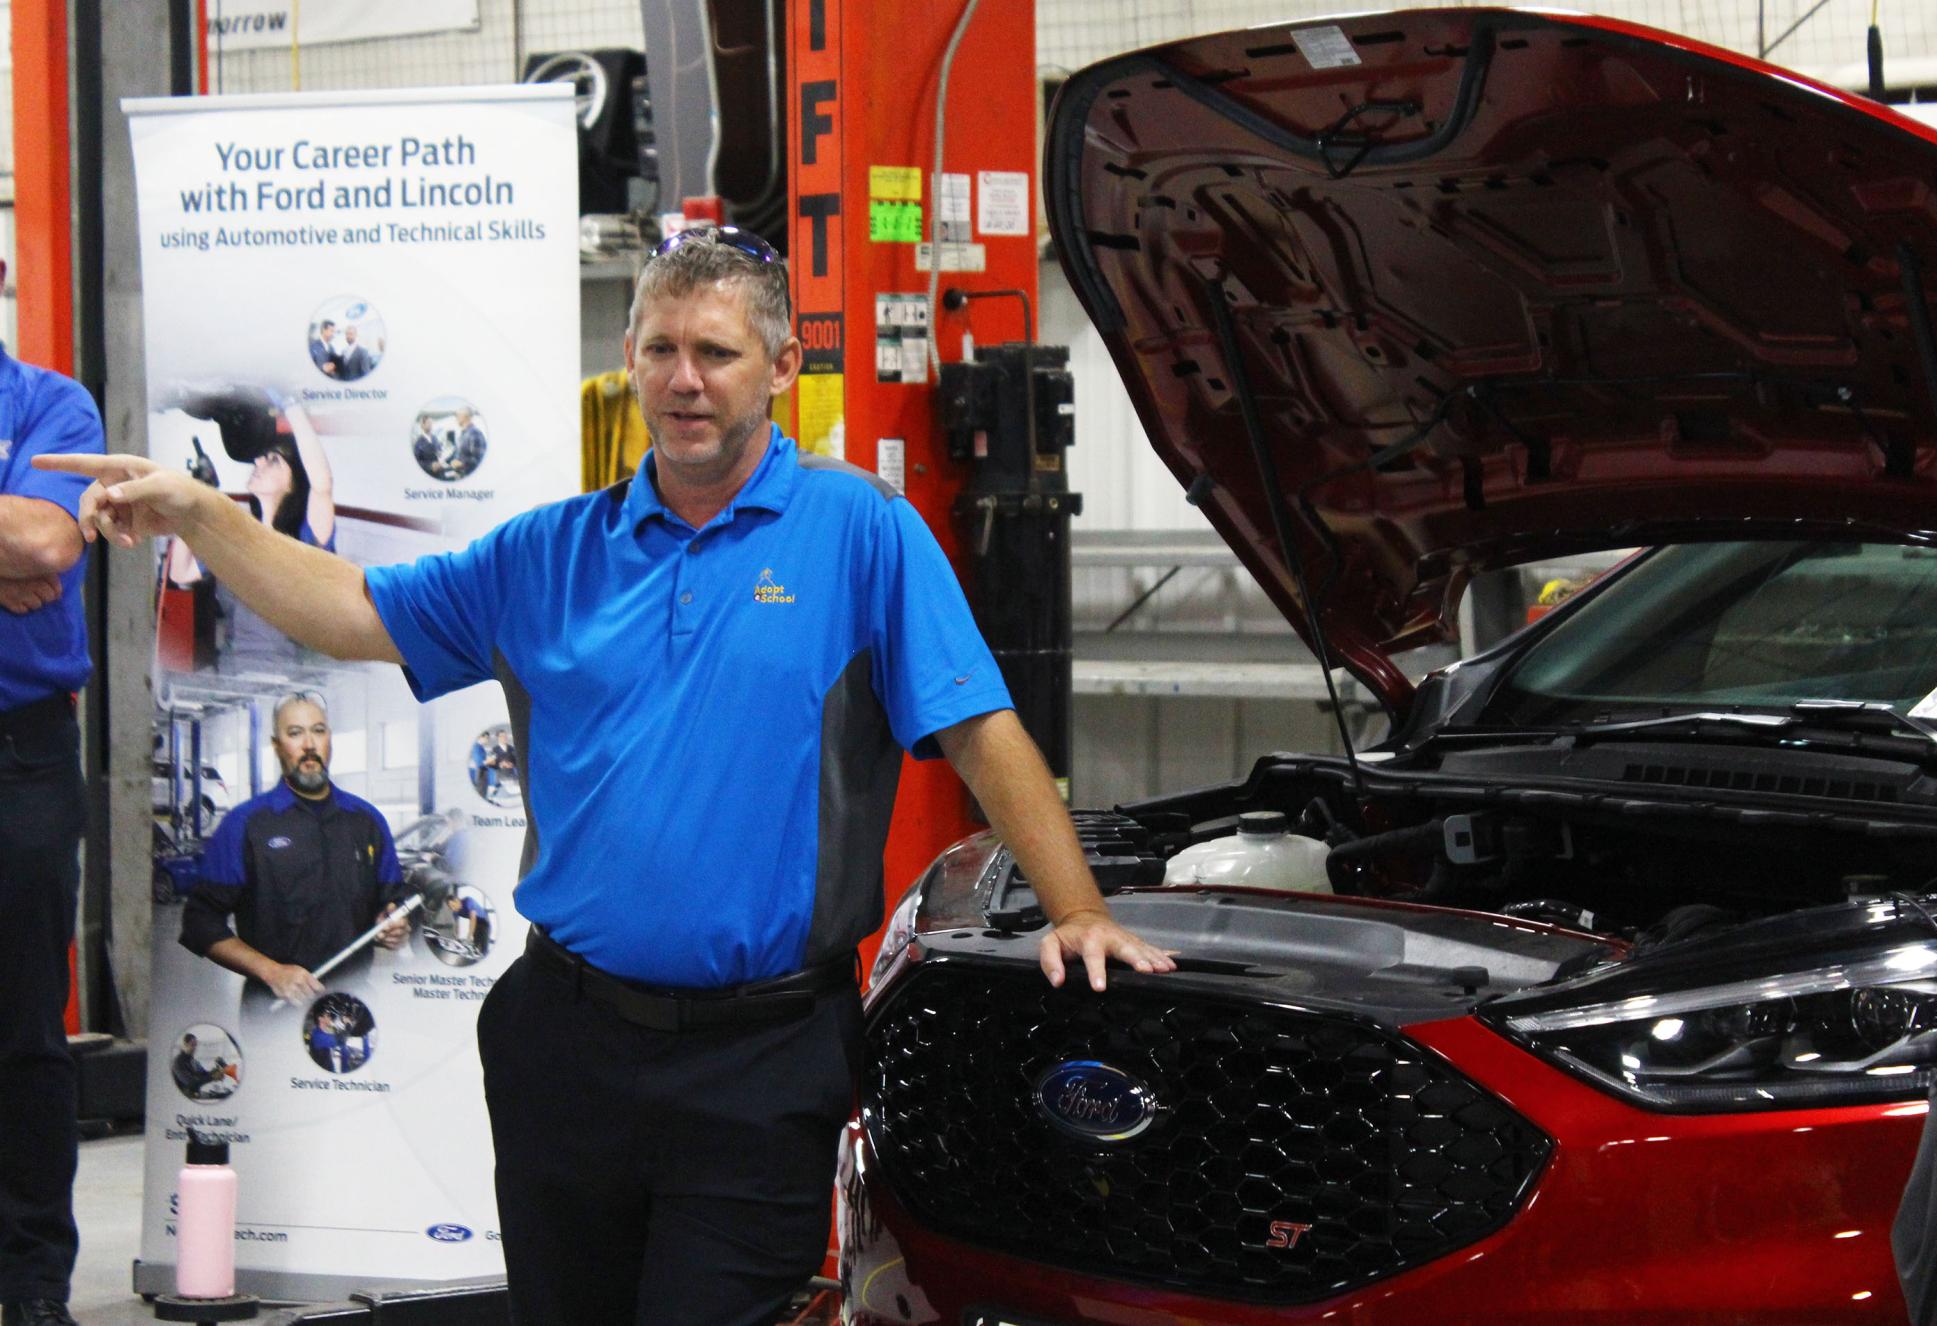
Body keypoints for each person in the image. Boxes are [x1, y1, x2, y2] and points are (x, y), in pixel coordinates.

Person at [38, 223, 1175, 1326]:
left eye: (717, 354)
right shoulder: (549, 553)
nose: (685, 381)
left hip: (762, 1057)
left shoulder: (860, 532)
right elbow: (346, 609)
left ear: (781, 367)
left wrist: (1073, 907)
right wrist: (200, 510)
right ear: (629, 361)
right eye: (660, 351)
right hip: (565, 1044)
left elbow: (980, 726)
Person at [1, 295, 104, 1326]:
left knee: (27, 1025)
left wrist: (25, 545)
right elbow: (18, 538)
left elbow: (44, 545)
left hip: (19, 755)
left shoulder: (49, 406)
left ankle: (31, 1280)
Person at [179, 694, 409, 1005]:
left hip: (354, 1004)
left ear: (329, 739)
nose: (309, 745)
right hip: (274, 1009)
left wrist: (394, 924)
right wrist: (271, 972)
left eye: (318, 730)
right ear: (277, 746)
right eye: (295, 733)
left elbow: (392, 901)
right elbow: (199, 921)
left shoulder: (367, 821)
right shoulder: (246, 824)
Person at [165, 397, 339, 670]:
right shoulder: (235, 537)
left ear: (294, 484)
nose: (258, 460)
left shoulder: (307, 541)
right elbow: (180, 573)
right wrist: (196, 498)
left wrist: (292, 404)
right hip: (231, 675)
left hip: (284, 679)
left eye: (273, 460)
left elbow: (322, 484)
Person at [169, 1033, 228, 1100]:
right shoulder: (178, 1062)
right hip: (184, 1097)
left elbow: (203, 1074)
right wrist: (213, 1077)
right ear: (185, 1045)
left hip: (195, 1093)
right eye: (192, 1045)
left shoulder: (193, 1061)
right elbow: (190, 1083)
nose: (195, 1048)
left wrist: (215, 1071)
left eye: (196, 1045)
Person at [450, 407, 485, 477]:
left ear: (466, 417)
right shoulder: (463, 433)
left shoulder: (475, 433)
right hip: (460, 474)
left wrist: (461, 463)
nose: (456, 418)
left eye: (457, 415)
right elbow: (457, 454)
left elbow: (479, 459)